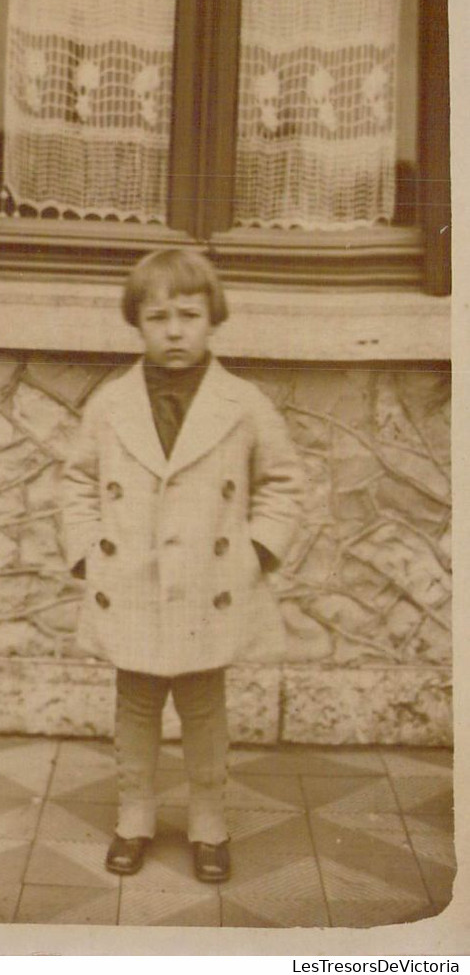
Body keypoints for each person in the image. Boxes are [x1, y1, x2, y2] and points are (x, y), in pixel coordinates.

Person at [61, 248, 303, 883]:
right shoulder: (110, 404)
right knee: (135, 706)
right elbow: (76, 483)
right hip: (132, 582)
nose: (174, 330)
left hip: (207, 583)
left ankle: (208, 820)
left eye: (188, 315)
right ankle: (134, 815)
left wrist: (256, 552)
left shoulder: (243, 403)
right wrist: (88, 551)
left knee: (203, 708)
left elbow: (283, 482)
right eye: (158, 316)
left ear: (212, 319)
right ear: (136, 324)